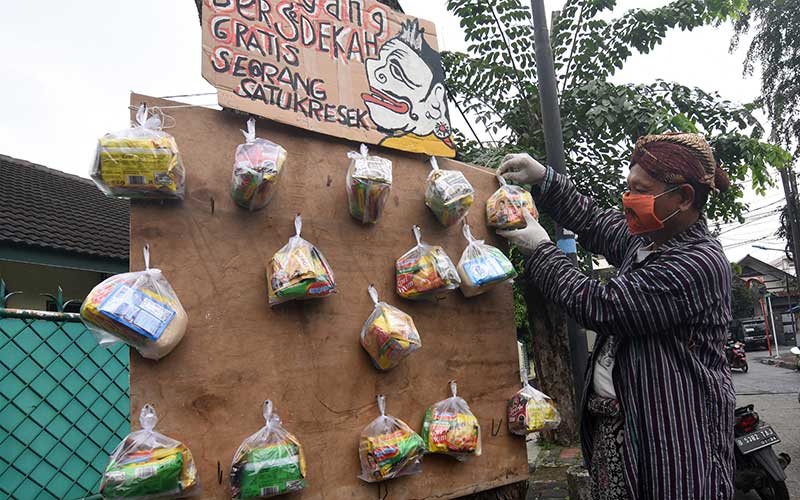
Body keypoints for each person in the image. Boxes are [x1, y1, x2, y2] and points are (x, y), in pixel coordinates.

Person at [496, 133, 735, 500]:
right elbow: (592, 220)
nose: (628, 200)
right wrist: (545, 178)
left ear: (683, 198)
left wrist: (540, 249)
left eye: (641, 189)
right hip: (621, 425)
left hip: (674, 433)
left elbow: (602, 306)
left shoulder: (697, 262)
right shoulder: (647, 239)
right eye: (628, 188)